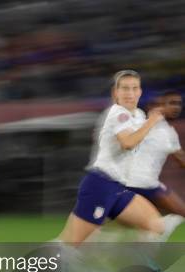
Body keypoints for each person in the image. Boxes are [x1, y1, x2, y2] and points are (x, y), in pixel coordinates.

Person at [59, 70, 168, 245]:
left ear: (140, 92)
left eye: (134, 88)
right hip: (101, 185)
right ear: (115, 92)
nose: (130, 93)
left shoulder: (138, 115)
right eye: (125, 88)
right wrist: (152, 122)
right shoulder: (118, 113)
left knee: (155, 225)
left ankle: (128, 269)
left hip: (118, 188)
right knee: (70, 244)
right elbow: (128, 143)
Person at [126, 91, 185, 219]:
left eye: (179, 104)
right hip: (129, 183)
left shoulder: (170, 134)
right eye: (172, 103)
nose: (176, 107)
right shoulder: (139, 123)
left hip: (148, 184)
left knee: (178, 212)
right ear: (159, 105)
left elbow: (182, 160)